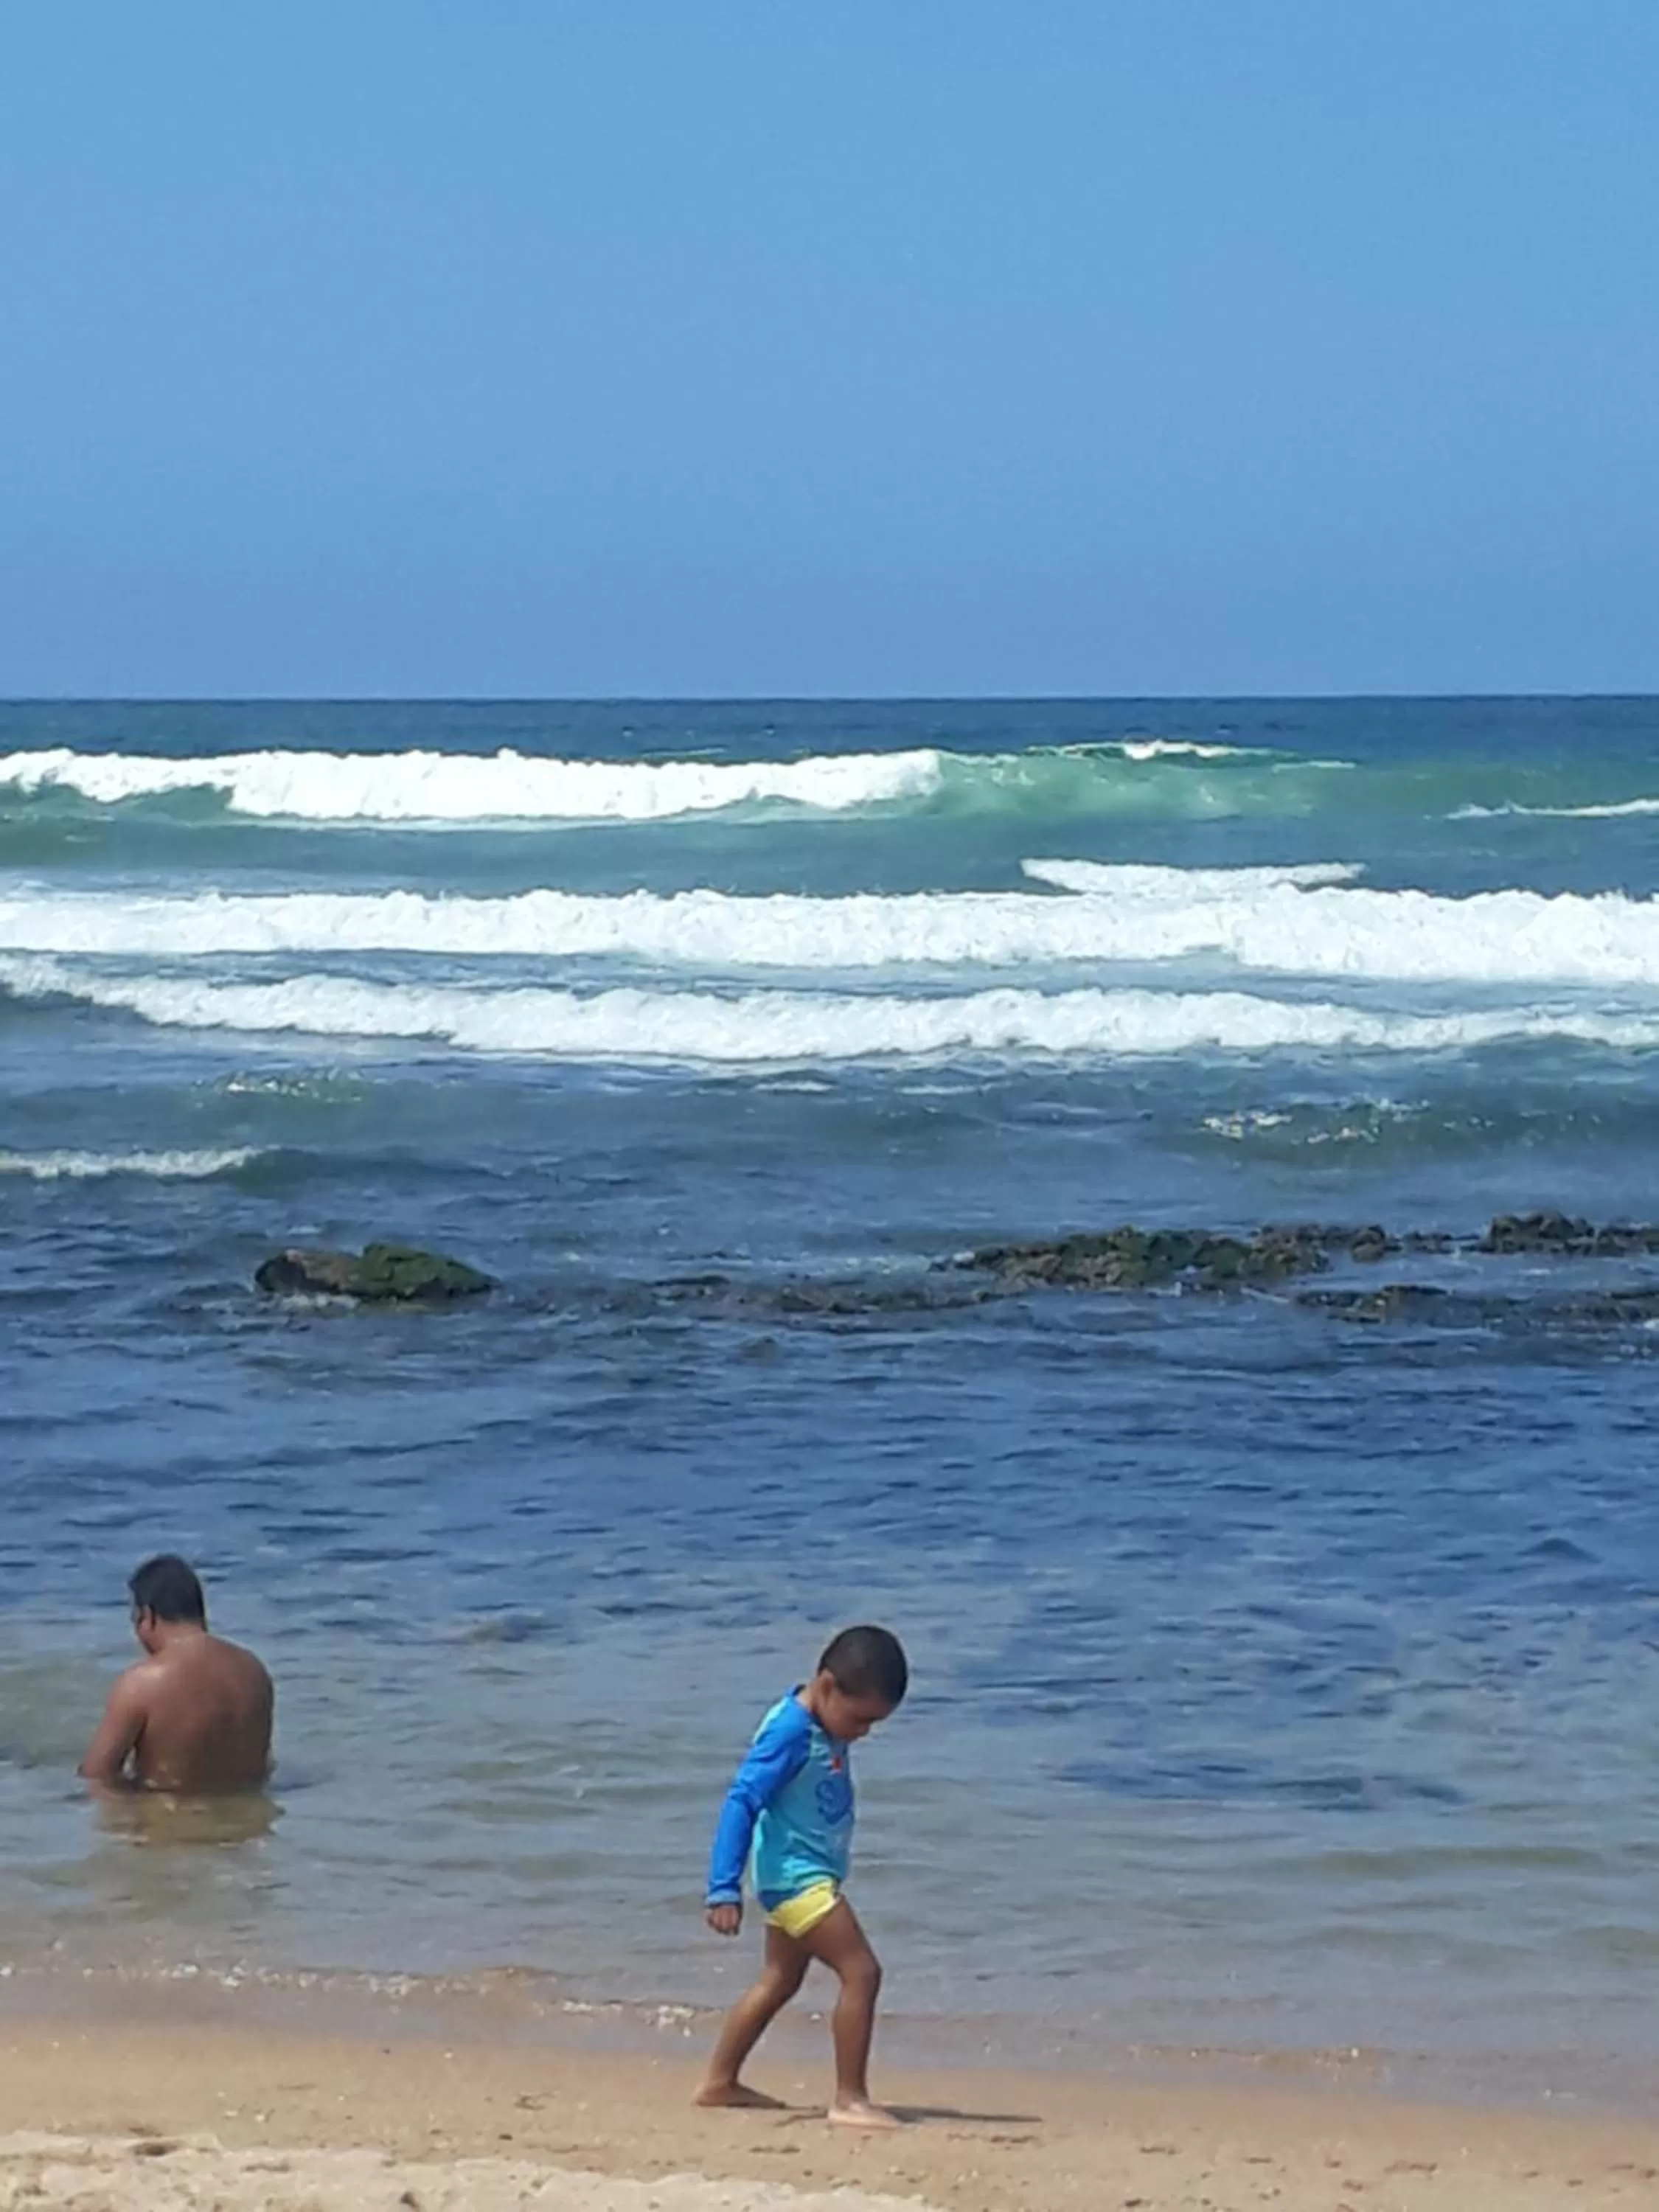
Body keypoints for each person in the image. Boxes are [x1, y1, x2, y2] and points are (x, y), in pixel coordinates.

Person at [696, 1624, 908, 2127]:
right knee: (862, 1972)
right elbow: (741, 1800)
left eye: (874, 1723)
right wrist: (722, 1886)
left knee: (780, 1978)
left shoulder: (824, 1723)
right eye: (860, 1719)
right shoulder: (790, 1732)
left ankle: (719, 2082)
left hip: (800, 1873)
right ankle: (849, 2098)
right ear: (829, 1686)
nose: (864, 1732)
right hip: (795, 1878)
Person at [80, 1555, 274, 1794]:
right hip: (247, 1827)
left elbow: (97, 1776)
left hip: (171, 1824)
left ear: (147, 1616)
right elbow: (262, 1766)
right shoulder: (253, 1670)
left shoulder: (141, 1685)